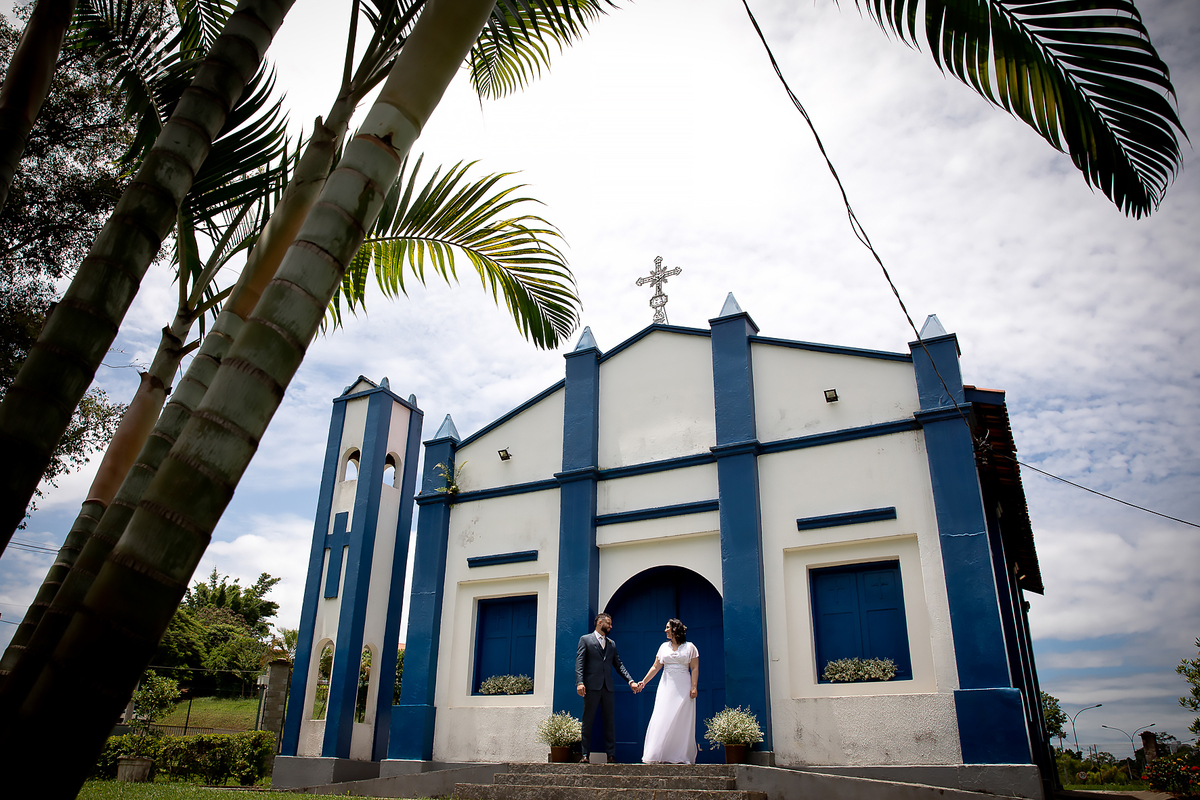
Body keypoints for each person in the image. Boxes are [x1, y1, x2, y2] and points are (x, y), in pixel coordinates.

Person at [576, 612, 640, 763]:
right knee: (588, 721)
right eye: (609, 623)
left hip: (608, 688)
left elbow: (619, 665)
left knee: (609, 722)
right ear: (600, 623)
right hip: (591, 687)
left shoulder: (611, 644)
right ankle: (585, 755)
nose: (611, 626)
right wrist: (579, 682)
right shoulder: (585, 640)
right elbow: (580, 663)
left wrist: (630, 681)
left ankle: (610, 755)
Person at [636, 618, 699, 764]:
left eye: (667, 627)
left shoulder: (690, 647)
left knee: (682, 719)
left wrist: (694, 686)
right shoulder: (664, 647)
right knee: (662, 716)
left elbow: (694, 667)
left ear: (675, 629)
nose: (665, 630)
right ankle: (657, 753)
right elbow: (655, 667)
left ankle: (680, 755)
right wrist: (644, 681)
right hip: (666, 686)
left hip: (684, 686)